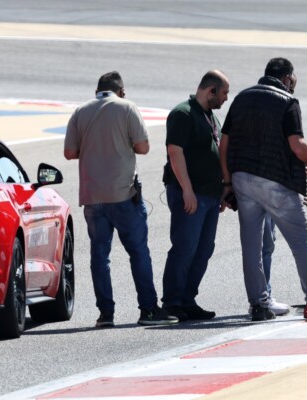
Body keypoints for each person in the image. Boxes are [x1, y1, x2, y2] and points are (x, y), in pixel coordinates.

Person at [220, 57, 307, 321]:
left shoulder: (242, 98)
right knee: (301, 241)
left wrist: (226, 182)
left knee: (251, 244)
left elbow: (224, 143)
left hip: (242, 179)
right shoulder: (287, 101)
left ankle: (259, 304)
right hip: (276, 181)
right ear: (287, 78)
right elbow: (296, 143)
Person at [64, 71, 177, 327]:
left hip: (92, 196)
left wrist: (93, 147)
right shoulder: (127, 108)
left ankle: (105, 314)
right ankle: (148, 310)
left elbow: (70, 152)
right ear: (121, 91)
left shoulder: (79, 112)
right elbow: (143, 147)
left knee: (99, 256)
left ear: (97, 91)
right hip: (123, 194)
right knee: (138, 252)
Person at [160, 70, 230, 322]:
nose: (225, 99)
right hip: (189, 194)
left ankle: (187, 299)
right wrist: (187, 190)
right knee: (185, 247)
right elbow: (175, 152)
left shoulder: (210, 116)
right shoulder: (183, 113)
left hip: (210, 196)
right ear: (210, 90)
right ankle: (172, 302)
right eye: (223, 93)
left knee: (204, 249)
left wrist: (222, 189)